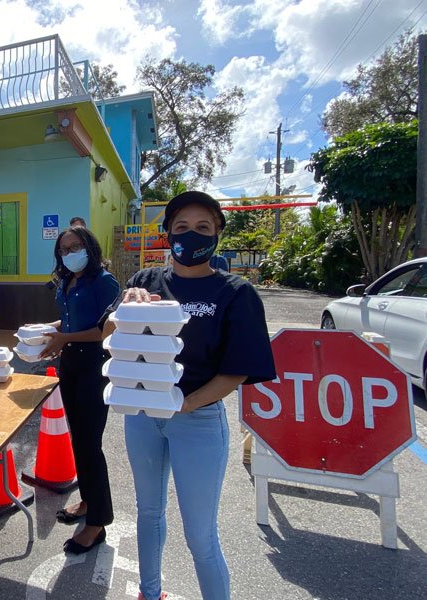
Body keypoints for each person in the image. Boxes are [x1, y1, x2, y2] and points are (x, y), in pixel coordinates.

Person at [103, 191, 276, 600]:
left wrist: (185, 403)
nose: (192, 235)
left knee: (200, 534)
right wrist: (125, 309)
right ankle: (149, 592)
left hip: (197, 421)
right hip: (143, 415)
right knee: (148, 513)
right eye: (181, 227)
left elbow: (236, 371)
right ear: (167, 235)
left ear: (217, 234)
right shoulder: (144, 282)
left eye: (203, 227)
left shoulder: (235, 292)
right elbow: (107, 334)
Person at [37, 226, 120, 555]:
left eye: (76, 246)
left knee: (89, 444)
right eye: (65, 249)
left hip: (94, 367)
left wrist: (64, 338)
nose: (70, 253)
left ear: (90, 247)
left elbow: (104, 330)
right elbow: (69, 320)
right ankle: (87, 501)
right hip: (70, 364)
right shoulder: (66, 282)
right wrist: (50, 330)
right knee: (79, 441)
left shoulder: (104, 282)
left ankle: (97, 523)